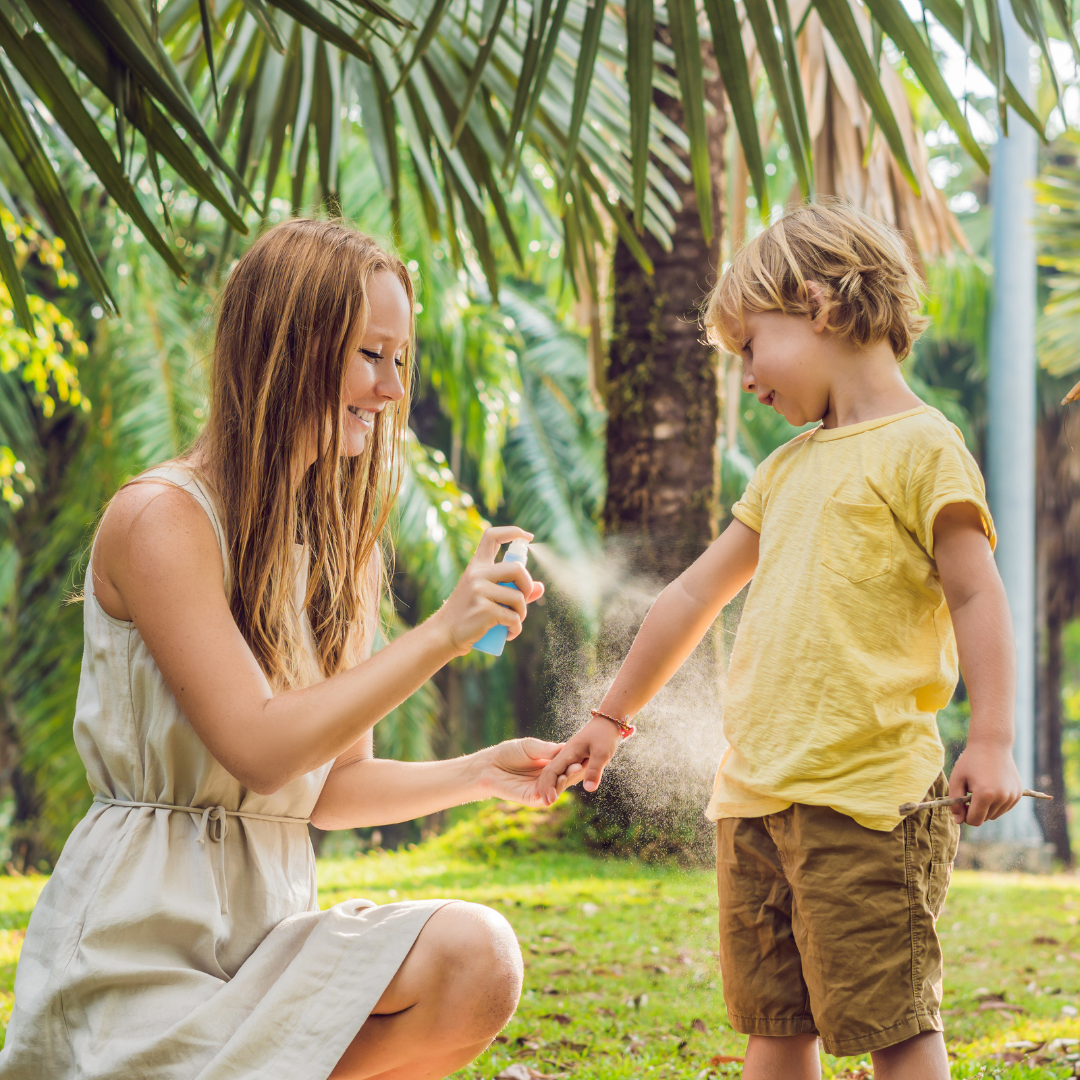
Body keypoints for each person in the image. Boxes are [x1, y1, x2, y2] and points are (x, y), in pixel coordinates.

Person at [0, 218, 581, 1080]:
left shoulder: (337, 543)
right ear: (288, 344)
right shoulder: (164, 518)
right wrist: (438, 637)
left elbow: (331, 789)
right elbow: (260, 748)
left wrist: (476, 772)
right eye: (368, 354)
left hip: (271, 940)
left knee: (478, 957)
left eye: (400, 360)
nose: (390, 389)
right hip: (140, 944)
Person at [537, 201, 1022, 1080]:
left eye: (751, 346)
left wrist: (990, 738)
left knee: (895, 1024)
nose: (746, 377)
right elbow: (690, 596)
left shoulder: (923, 448)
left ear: (821, 303)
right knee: (774, 1024)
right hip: (756, 801)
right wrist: (610, 715)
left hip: (868, 803)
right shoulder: (784, 470)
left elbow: (975, 591)